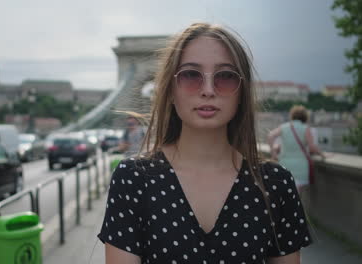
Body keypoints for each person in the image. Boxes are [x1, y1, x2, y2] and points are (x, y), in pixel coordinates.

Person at [98, 23, 312, 263]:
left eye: (226, 77)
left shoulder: (276, 185)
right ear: (169, 91)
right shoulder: (133, 179)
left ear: (242, 91)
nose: (208, 90)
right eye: (191, 75)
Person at [268, 105, 326, 193]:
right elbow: (312, 147)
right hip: (300, 166)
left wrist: (273, 153)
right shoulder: (306, 128)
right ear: (305, 116)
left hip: (284, 164)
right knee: (296, 197)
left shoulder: (284, 127)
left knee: (284, 195)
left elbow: (270, 136)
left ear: (292, 115)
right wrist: (323, 155)